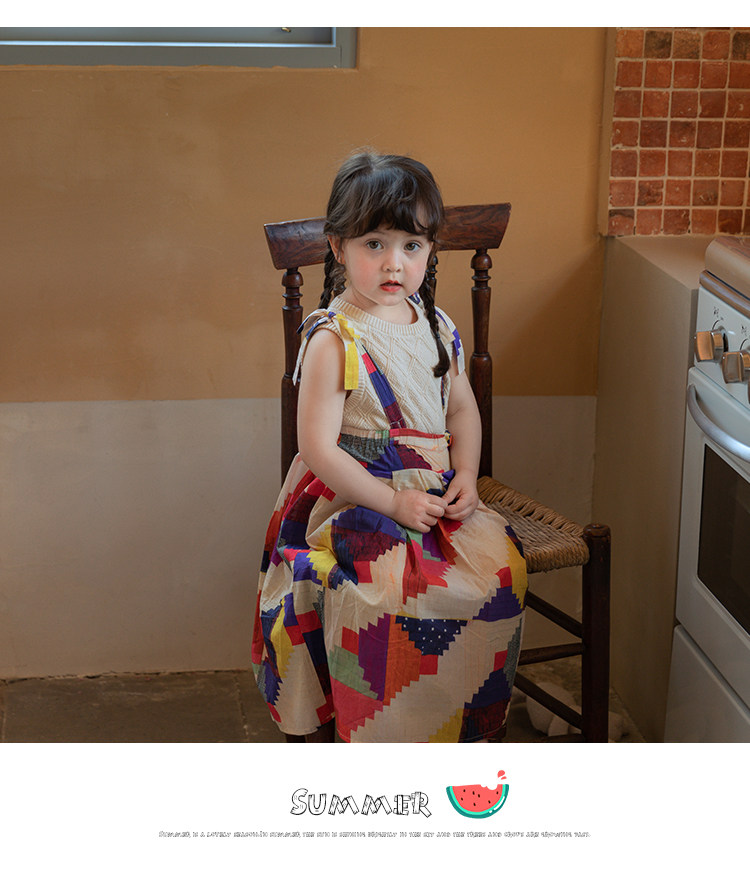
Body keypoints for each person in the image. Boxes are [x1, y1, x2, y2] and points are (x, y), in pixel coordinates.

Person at [252, 150, 527, 742]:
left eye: (411, 245)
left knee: (499, 574)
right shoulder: (335, 338)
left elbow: (461, 408)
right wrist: (391, 503)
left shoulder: (437, 326)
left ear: (430, 250)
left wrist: (467, 474)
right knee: (380, 596)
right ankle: (375, 730)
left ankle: (453, 727)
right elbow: (317, 447)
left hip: (434, 496)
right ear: (337, 246)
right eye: (374, 244)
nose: (393, 263)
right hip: (357, 497)